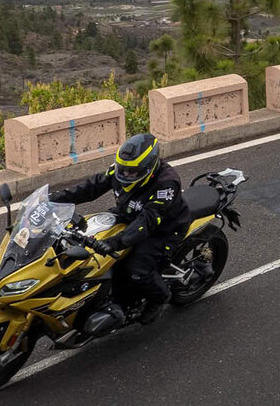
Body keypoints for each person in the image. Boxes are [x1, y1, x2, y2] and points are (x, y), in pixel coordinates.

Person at [49, 132, 190, 326]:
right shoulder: (120, 170)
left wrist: (112, 243)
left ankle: (160, 297)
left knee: (136, 269)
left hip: (163, 228)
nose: (125, 175)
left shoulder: (166, 184)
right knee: (87, 239)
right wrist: (53, 199)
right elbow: (91, 187)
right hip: (128, 214)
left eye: (131, 172)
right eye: (123, 170)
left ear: (148, 167)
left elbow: (146, 223)